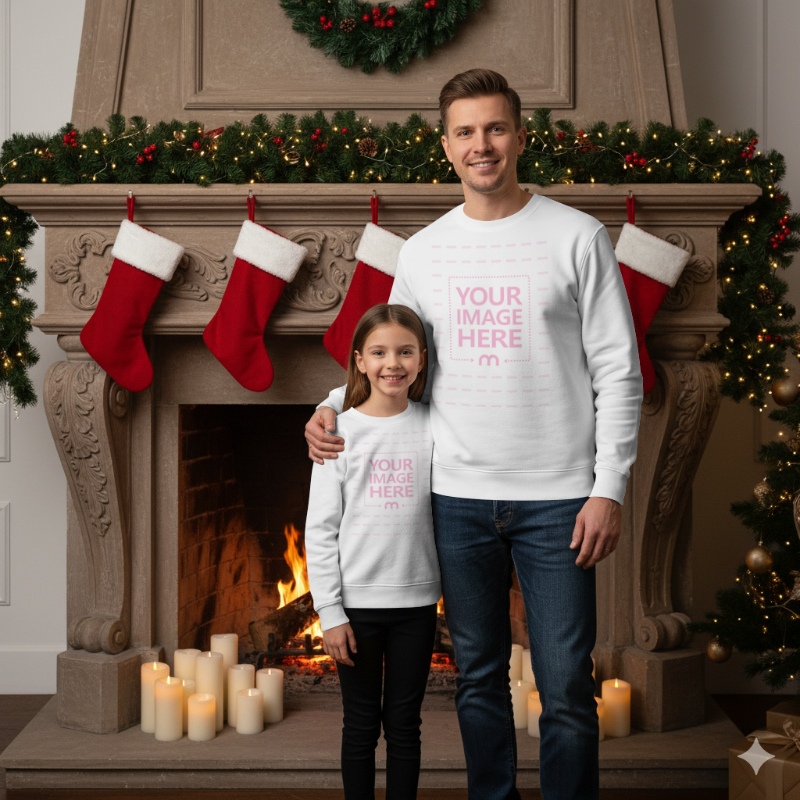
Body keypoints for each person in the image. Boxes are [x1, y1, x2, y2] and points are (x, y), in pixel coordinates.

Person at [306, 69, 642, 800]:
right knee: (478, 685)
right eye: (465, 132)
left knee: (565, 690)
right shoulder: (424, 251)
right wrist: (333, 404)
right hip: (455, 502)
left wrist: (607, 489)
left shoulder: (577, 237)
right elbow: (390, 356)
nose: (481, 144)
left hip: (560, 502)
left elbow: (620, 372)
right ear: (447, 146)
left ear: (520, 137)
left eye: (494, 128)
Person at [305, 303, 441, 800]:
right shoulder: (338, 433)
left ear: (422, 360)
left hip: (417, 606)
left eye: (405, 352)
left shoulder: (433, 424)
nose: (393, 363)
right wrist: (329, 611)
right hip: (355, 610)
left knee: (405, 724)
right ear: (359, 361)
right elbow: (320, 529)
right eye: (380, 352)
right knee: (361, 724)